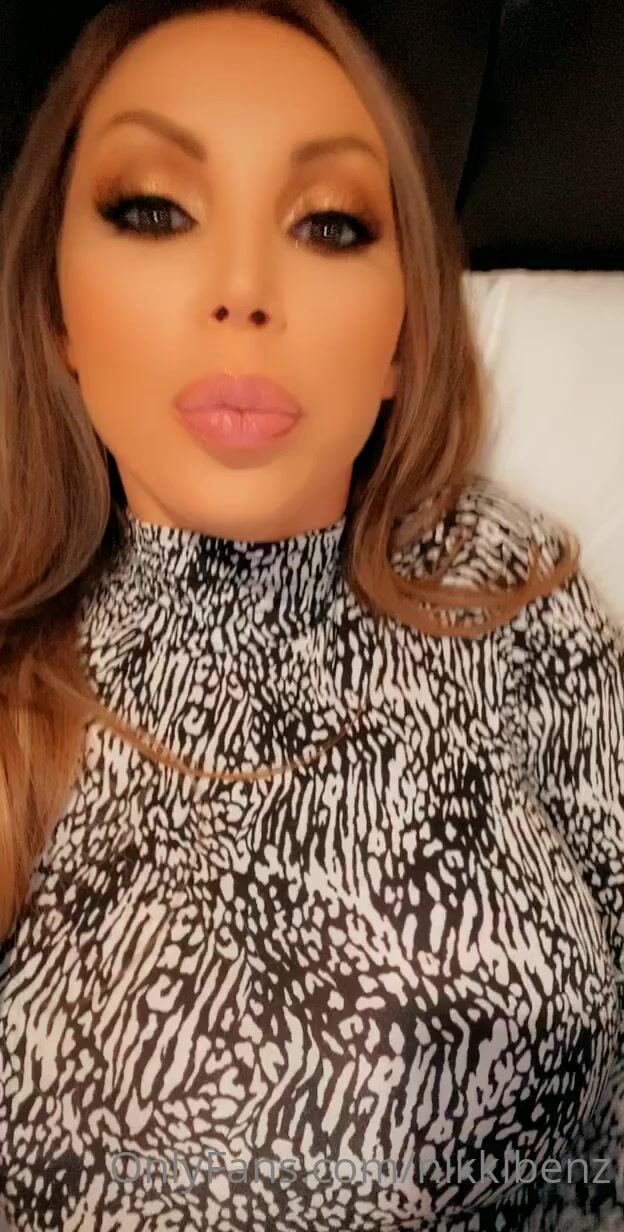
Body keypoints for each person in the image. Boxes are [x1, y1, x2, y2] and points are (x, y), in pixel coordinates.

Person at [0, 0, 622, 1229]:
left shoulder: (509, 596)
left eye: (330, 224)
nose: (243, 291)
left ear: (401, 337)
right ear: (58, 310)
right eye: (154, 210)